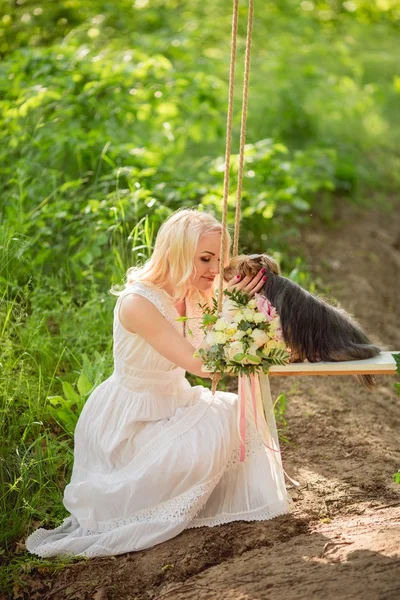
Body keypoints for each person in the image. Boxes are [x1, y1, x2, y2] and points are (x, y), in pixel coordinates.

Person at [25, 208, 290, 559]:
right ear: (177, 254)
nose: (215, 270)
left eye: (219, 259)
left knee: (238, 413)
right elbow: (205, 365)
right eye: (205, 259)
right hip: (132, 418)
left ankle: (212, 496)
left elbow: (226, 344)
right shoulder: (138, 303)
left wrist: (245, 304)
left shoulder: (198, 292)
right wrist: (234, 311)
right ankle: (152, 498)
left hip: (175, 399)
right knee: (194, 449)